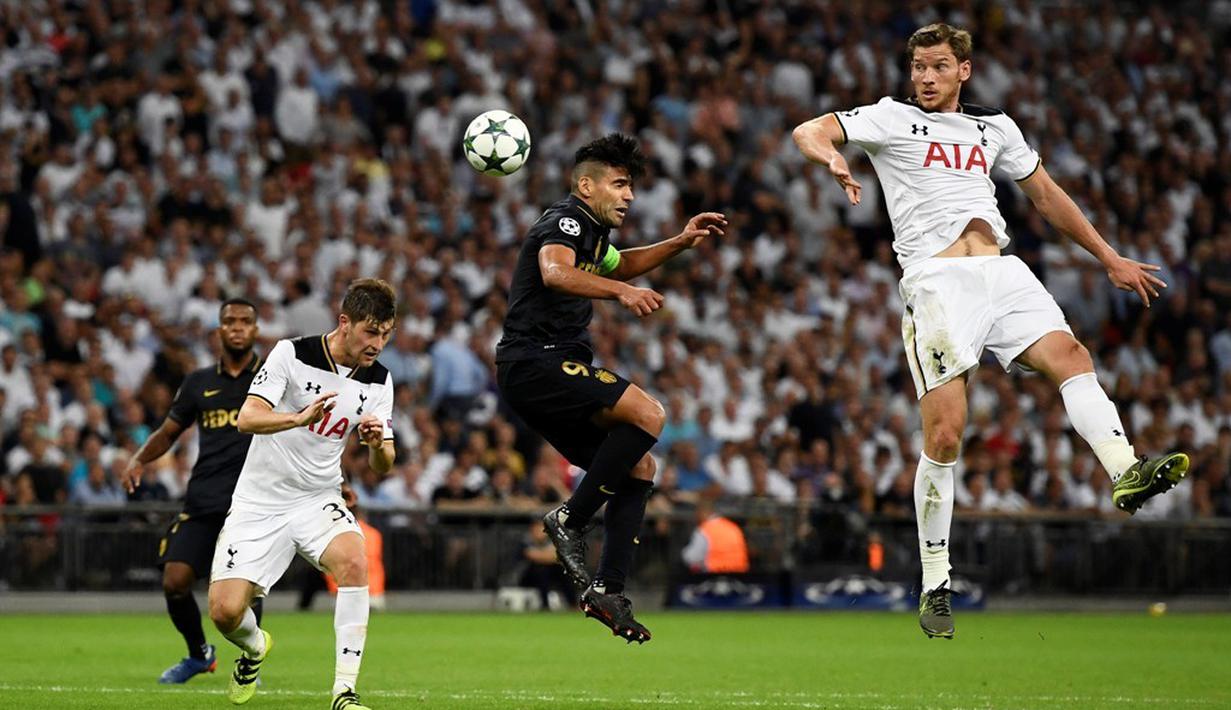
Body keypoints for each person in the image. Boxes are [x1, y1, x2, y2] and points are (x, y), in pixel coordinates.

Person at [791, 23, 1189, 639]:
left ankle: (1125, 470)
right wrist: (832, 156)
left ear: (963, 71)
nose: (925, 77)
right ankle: (934, 581)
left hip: (1002, 271)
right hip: (938, 282)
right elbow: (809, 129)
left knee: (1072, 355)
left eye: (938, 66)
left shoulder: (994, 126)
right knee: (947, 435)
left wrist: (1108, 257)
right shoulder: (890, 118)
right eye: (918, 66)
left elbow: (1047, 196)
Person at [495, 133, 725, 644]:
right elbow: (555, 273)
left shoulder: (594, 236)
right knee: (649, 415)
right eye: (620, 184)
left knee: (641, 464)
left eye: (631, 187)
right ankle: (570, 520)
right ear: (586, 185)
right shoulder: (567, 221)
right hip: (535, 361)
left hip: (543, 370)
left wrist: (681, 241)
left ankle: (607, 589)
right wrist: (621, 292)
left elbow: (627, 262)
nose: (629, 196)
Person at [207, 278, 397, 709]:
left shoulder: (379, 381)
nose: (378, 343)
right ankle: (255, 647)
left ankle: (344, 692)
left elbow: (386, 461)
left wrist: (375, 444)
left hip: (318, 498)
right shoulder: (292, 354)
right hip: (259, 501)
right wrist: (298, 417)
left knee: (354, 560)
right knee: (224, 612)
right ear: (344, 322)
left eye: (386, 333)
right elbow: (247, 417)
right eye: (371, 332)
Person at [120, 298, 264, 684]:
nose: (236, 327)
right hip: (202, 500)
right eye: (229, 321)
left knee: (246, 590)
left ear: (256, 330)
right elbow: (169, 433)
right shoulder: (199, 382)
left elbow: (306, 436)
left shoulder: (271, 377)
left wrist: (339, 483)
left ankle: (247, 665)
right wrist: (138, 458)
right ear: (218, 330)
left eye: (245, 321)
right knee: (175, 580)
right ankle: (200, 654)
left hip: (252, 504)